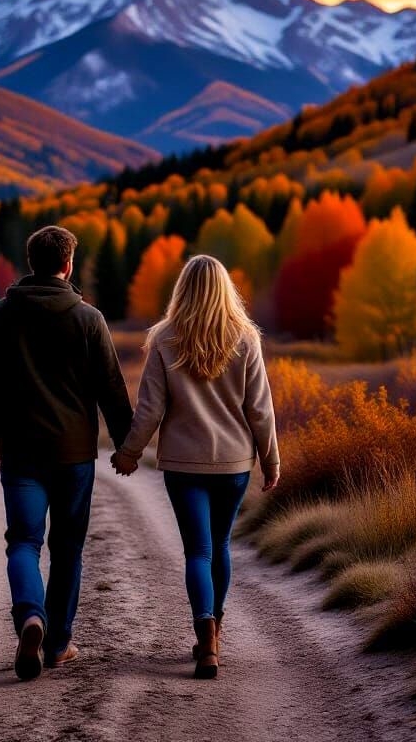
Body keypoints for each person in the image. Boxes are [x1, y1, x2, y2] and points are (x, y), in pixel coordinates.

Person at [0, 225, 133, 681]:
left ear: (31, 262)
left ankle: (31, 619)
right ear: (67, 265)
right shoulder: (89, 319)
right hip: (73, 455)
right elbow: (112, 391)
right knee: (67, 549)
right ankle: (58, 644)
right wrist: (127, 445)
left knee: (23, 541)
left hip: (21, 452)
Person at [112, 254, 279, 679]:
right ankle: (215, 634)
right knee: (219, 546)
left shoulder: (165, 338)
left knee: (197, 551)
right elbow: (260, 410)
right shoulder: (246, 338)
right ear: (227, 290)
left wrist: (129, 453)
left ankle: (205, 638)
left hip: (184, 465)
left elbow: (149, 409)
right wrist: (270, 460)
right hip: (234, 463)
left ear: (183, 290)